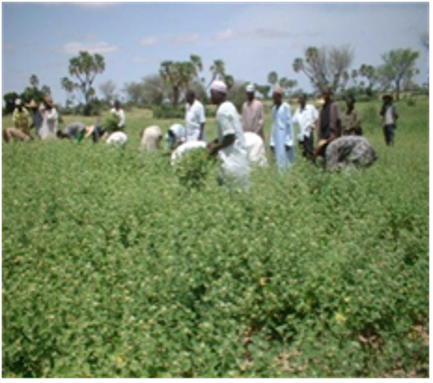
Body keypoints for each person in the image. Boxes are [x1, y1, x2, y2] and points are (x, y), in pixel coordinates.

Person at [208, 80, 250, 189]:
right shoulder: (230, 106)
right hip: (240, 158)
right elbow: (231, 132)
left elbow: (230, 137)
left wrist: (215, 149)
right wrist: (216, 140)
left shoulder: (222, 111)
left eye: (213, 93)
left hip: (232, 160)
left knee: (230, 193)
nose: (211, 96)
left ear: (220, 94)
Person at [270, 86, 295, 172]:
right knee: (279, 161)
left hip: (284, 137)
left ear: (279, 97)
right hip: (277, 137)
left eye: (275, 97)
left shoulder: (286, 107)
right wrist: (272, 142)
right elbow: (273, 126)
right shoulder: (274, 109)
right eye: (273, 98)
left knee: (287, 161)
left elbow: (289, 125)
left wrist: (289, 142)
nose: (274, 100)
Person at [315, 89, 341, 159]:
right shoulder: (322, 107)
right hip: (323, 134)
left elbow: (338, 120)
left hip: (331, 134)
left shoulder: (334, 105)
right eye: (323, 94)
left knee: (332, 152)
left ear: (330, 95)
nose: (324, 96)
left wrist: (337, 134)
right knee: (322, 152)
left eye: (326, 94)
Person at [292, 94, 319, 161]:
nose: (300, 101)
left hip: (308, 133)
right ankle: (306, 165)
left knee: (310, 150)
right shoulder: (298, 110)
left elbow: (317, 117)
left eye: (302, 99)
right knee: (303, 152)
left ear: (305, 99)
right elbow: (293, 121)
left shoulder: (310, 108)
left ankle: (313, 165)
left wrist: (313, 126)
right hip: (301, 134)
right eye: (299, 99)